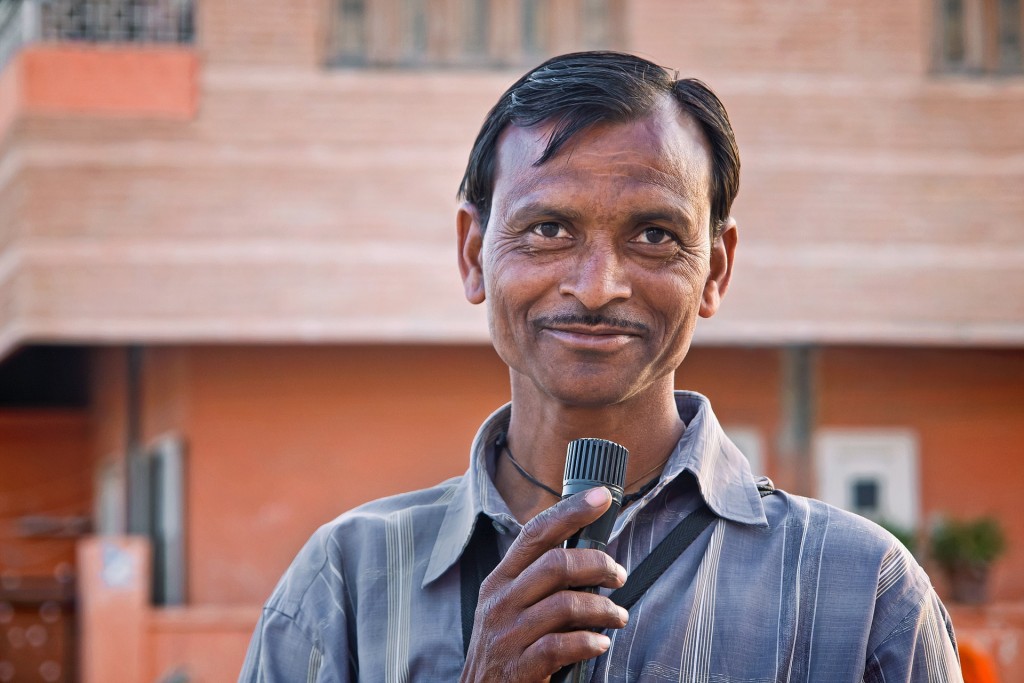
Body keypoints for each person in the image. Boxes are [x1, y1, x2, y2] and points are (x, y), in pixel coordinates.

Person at [239, 51, 963, 682]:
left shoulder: (861, 592)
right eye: (548, 229)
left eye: (653, 234)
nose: (596, 286)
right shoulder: (342, 584)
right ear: (472, 251)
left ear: (716, 268)